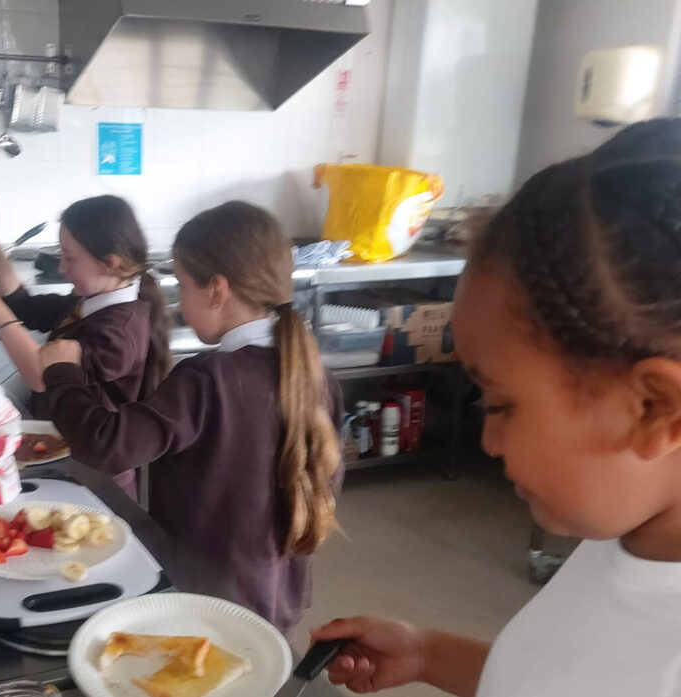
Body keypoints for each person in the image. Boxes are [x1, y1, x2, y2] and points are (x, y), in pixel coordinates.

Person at [312, 118, 681, 696]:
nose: (488, 440)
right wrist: (427, 652)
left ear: (654, 408)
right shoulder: (624, 532)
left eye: (502, 404)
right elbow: (554, 677)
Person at [37, 201, 345, 634]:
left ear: (216, 290)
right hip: (276, 590)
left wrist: (63, 374)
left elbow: (108, 445)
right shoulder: (314, 372)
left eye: (181, 285)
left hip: (205, 594)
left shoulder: (209, 377)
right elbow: (325, 481)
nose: (179, 300)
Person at [0, 195, 170, 496]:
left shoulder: (119, 332)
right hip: (63, 457)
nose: (61, 267)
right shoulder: (91, 302)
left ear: (110, 264)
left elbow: (42, 376)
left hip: (96, 480)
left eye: (70, 258)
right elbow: (24, 306)